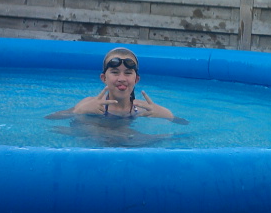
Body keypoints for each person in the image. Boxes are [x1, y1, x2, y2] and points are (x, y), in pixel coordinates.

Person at [45, 48, 188, 147]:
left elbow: (185, 124)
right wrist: (78, 111)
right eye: (115, 72)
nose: (122, 79)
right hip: (97, 141)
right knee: (94, 131)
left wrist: (168, 115)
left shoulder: (142, 109)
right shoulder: (90, 103)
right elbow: (49, 119)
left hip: (122, 141)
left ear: (136, 79)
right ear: (104, 78)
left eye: (128, 73)